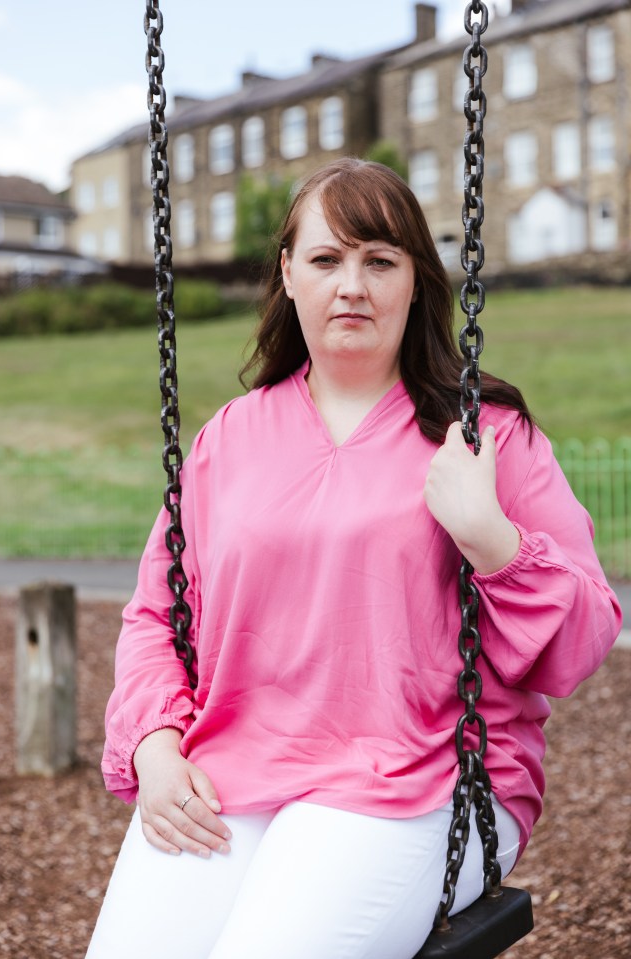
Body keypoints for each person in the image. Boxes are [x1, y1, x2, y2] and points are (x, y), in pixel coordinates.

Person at [86, 158, 621, 959]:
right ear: (289, 276)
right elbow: (158, 615)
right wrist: (156, 746)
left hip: (421, 779)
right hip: (234, 766)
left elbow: (582, 639)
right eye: (327, 259)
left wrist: (493, 541)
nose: (352, 286)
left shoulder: (488, 437)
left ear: (415, 281)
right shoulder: (227, 441)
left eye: (380, 260)